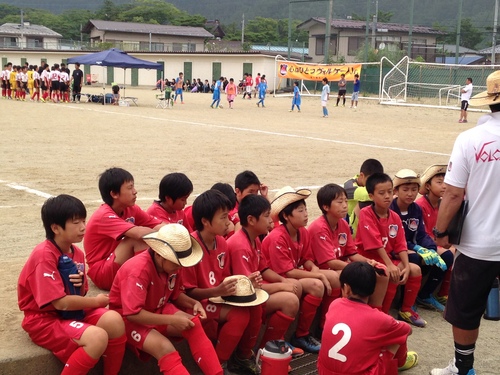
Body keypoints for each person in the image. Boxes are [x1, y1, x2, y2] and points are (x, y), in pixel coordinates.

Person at [430, 70, 500, 375]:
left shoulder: (471, 139)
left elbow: (454, 193)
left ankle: (463, 367)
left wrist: (441, 231)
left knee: (465, 310)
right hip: (481, 244)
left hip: (479, 244)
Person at [18, 195, 126, 375]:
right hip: (43, 319)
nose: (83, 227)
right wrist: (97, 302)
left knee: (114, 320)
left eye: (84, 220)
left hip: (70, 313)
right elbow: (60, 303)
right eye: (76, 223)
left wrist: (81, 282)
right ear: (55, 228)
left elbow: (79, 294)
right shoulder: (43, 255)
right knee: (97, 337)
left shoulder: (76, 252)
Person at [109, 224, 223, 375]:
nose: (180, 267)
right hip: (128, 320)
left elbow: (175, 295)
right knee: (165, 348)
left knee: (193, 325)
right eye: (176, 262)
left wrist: (193, 303)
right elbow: (132, 314)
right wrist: (172, 320)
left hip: (159, 309)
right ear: (159, 254)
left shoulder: (172, 267)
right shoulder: (137, 270)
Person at [183, 190, 260, 374]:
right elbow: (187, 292)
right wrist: (217, 291)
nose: (229, 222)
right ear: (205, 221)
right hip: (196, 304)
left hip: (216, 298)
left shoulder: (222, 243)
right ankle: (218, 364)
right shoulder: (190, 246)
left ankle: (242, 357)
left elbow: (223, 278)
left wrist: (244, 281)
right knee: (239, 316)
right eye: (223, 217)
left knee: (254, 306)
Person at [262, 186, 340, 353]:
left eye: (305, 209)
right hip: (276, 279)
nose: (306, 214)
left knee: (331, 278)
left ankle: (317, 329)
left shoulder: (302, 232)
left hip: (289, 276)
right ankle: (293, 336)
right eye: (300, 210)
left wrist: (315, 270)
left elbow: (307, 260)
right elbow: (287, 272)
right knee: (316, 285)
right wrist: (317, 274)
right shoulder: (277, 236)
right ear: (286, 216)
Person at [226, 194, 302, 353]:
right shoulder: (240, 245)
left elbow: (263, 269)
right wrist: (282, 286)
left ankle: (276, 343)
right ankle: (265, 350)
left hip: (252, 290)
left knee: (293, 287)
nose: (270, 220)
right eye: (267, 216)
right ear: (252, 220)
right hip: (239, 297)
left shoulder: (254, 238)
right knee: (290, 300)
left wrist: (283, 281)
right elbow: (246, 288)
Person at [317, 262, 418, 375]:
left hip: (323, 371)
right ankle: (401, 362)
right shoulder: (379, 319)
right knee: (396, 335)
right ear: (373, 289)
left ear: (346, 288)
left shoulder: (335, 304)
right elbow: (408, 330)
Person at [355, 173, 426, 327]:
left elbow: (401, 244)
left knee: (414, 270)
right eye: (381, 193)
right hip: (367, 260)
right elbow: (376, 244)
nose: (387, 196)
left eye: (389, 191)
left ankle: (406, 310)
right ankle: (381, 316)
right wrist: (390, 264)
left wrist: (406, 266)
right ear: (371, 196)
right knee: (390, 272)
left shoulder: (394, 216)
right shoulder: (366, 213)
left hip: (386, 259)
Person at [308, 183, 389, 312]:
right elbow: (330, 262)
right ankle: (326, 321)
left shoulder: (343, 224)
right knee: (350, 276)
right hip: (325, 269)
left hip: (340, 267)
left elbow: (352, 253)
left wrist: (369, 263)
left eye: (346, 201)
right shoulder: (319, 228)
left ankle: (376, 313)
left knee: (382, 270)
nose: (345, 205)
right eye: (340, 202)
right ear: (325, 207)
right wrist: (359, 268)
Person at [83, 167, 164, 290]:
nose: (135, 191)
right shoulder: (104, 215)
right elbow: (139, 234)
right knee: (136, 239)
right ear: (114, 194)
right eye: (130, 188)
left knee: (149, 235)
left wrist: (176, 231)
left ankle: (153, 277)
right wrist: (170, 236)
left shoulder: (130, 208)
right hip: (102, 273)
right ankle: (152, 278)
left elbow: (155, 224)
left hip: (117, 262)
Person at [389, 169, 453, 313]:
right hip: (395, 248)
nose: (410, 194)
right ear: (396, 191)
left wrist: (430, 248)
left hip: (409, 246)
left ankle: (425, 295)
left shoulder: (415, 209)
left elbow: (421, 234)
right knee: (414, 258)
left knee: (446, 256)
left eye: (414, 190)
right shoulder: (391, 210)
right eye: (405, 190)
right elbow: (397, 239)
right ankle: (405, 303)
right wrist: (417, 248)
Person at [415, 164, 451, 305]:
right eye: (439, 182)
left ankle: (444, 293)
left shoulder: (443, 204)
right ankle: (425, 294)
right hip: (423, 243)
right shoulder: (420, 205)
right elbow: (422, 233)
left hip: (437, 242)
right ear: (428, 186)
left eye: (446, 182)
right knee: (447, 255)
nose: (444, 186)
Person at [344, 158, 384, 237]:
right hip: (351, 225)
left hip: (369, 222)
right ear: (362, 176)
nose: (374, 184)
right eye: (371, 180)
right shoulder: (349, 186)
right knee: (365, 203)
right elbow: (367, 194)